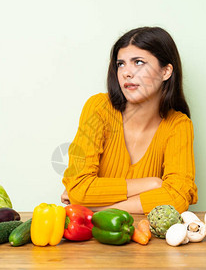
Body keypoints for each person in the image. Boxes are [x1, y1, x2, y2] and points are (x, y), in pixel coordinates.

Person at [61, 26, 197, 214]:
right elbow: (78, 188)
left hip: (144, 238)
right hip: (91, 239)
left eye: (139, 62)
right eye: (121, 64)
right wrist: (153, 183)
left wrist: (99, 208)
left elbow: (178, 197)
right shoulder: (99, 108)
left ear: (166, 72)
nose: (126, 72)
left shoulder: (178, 125)